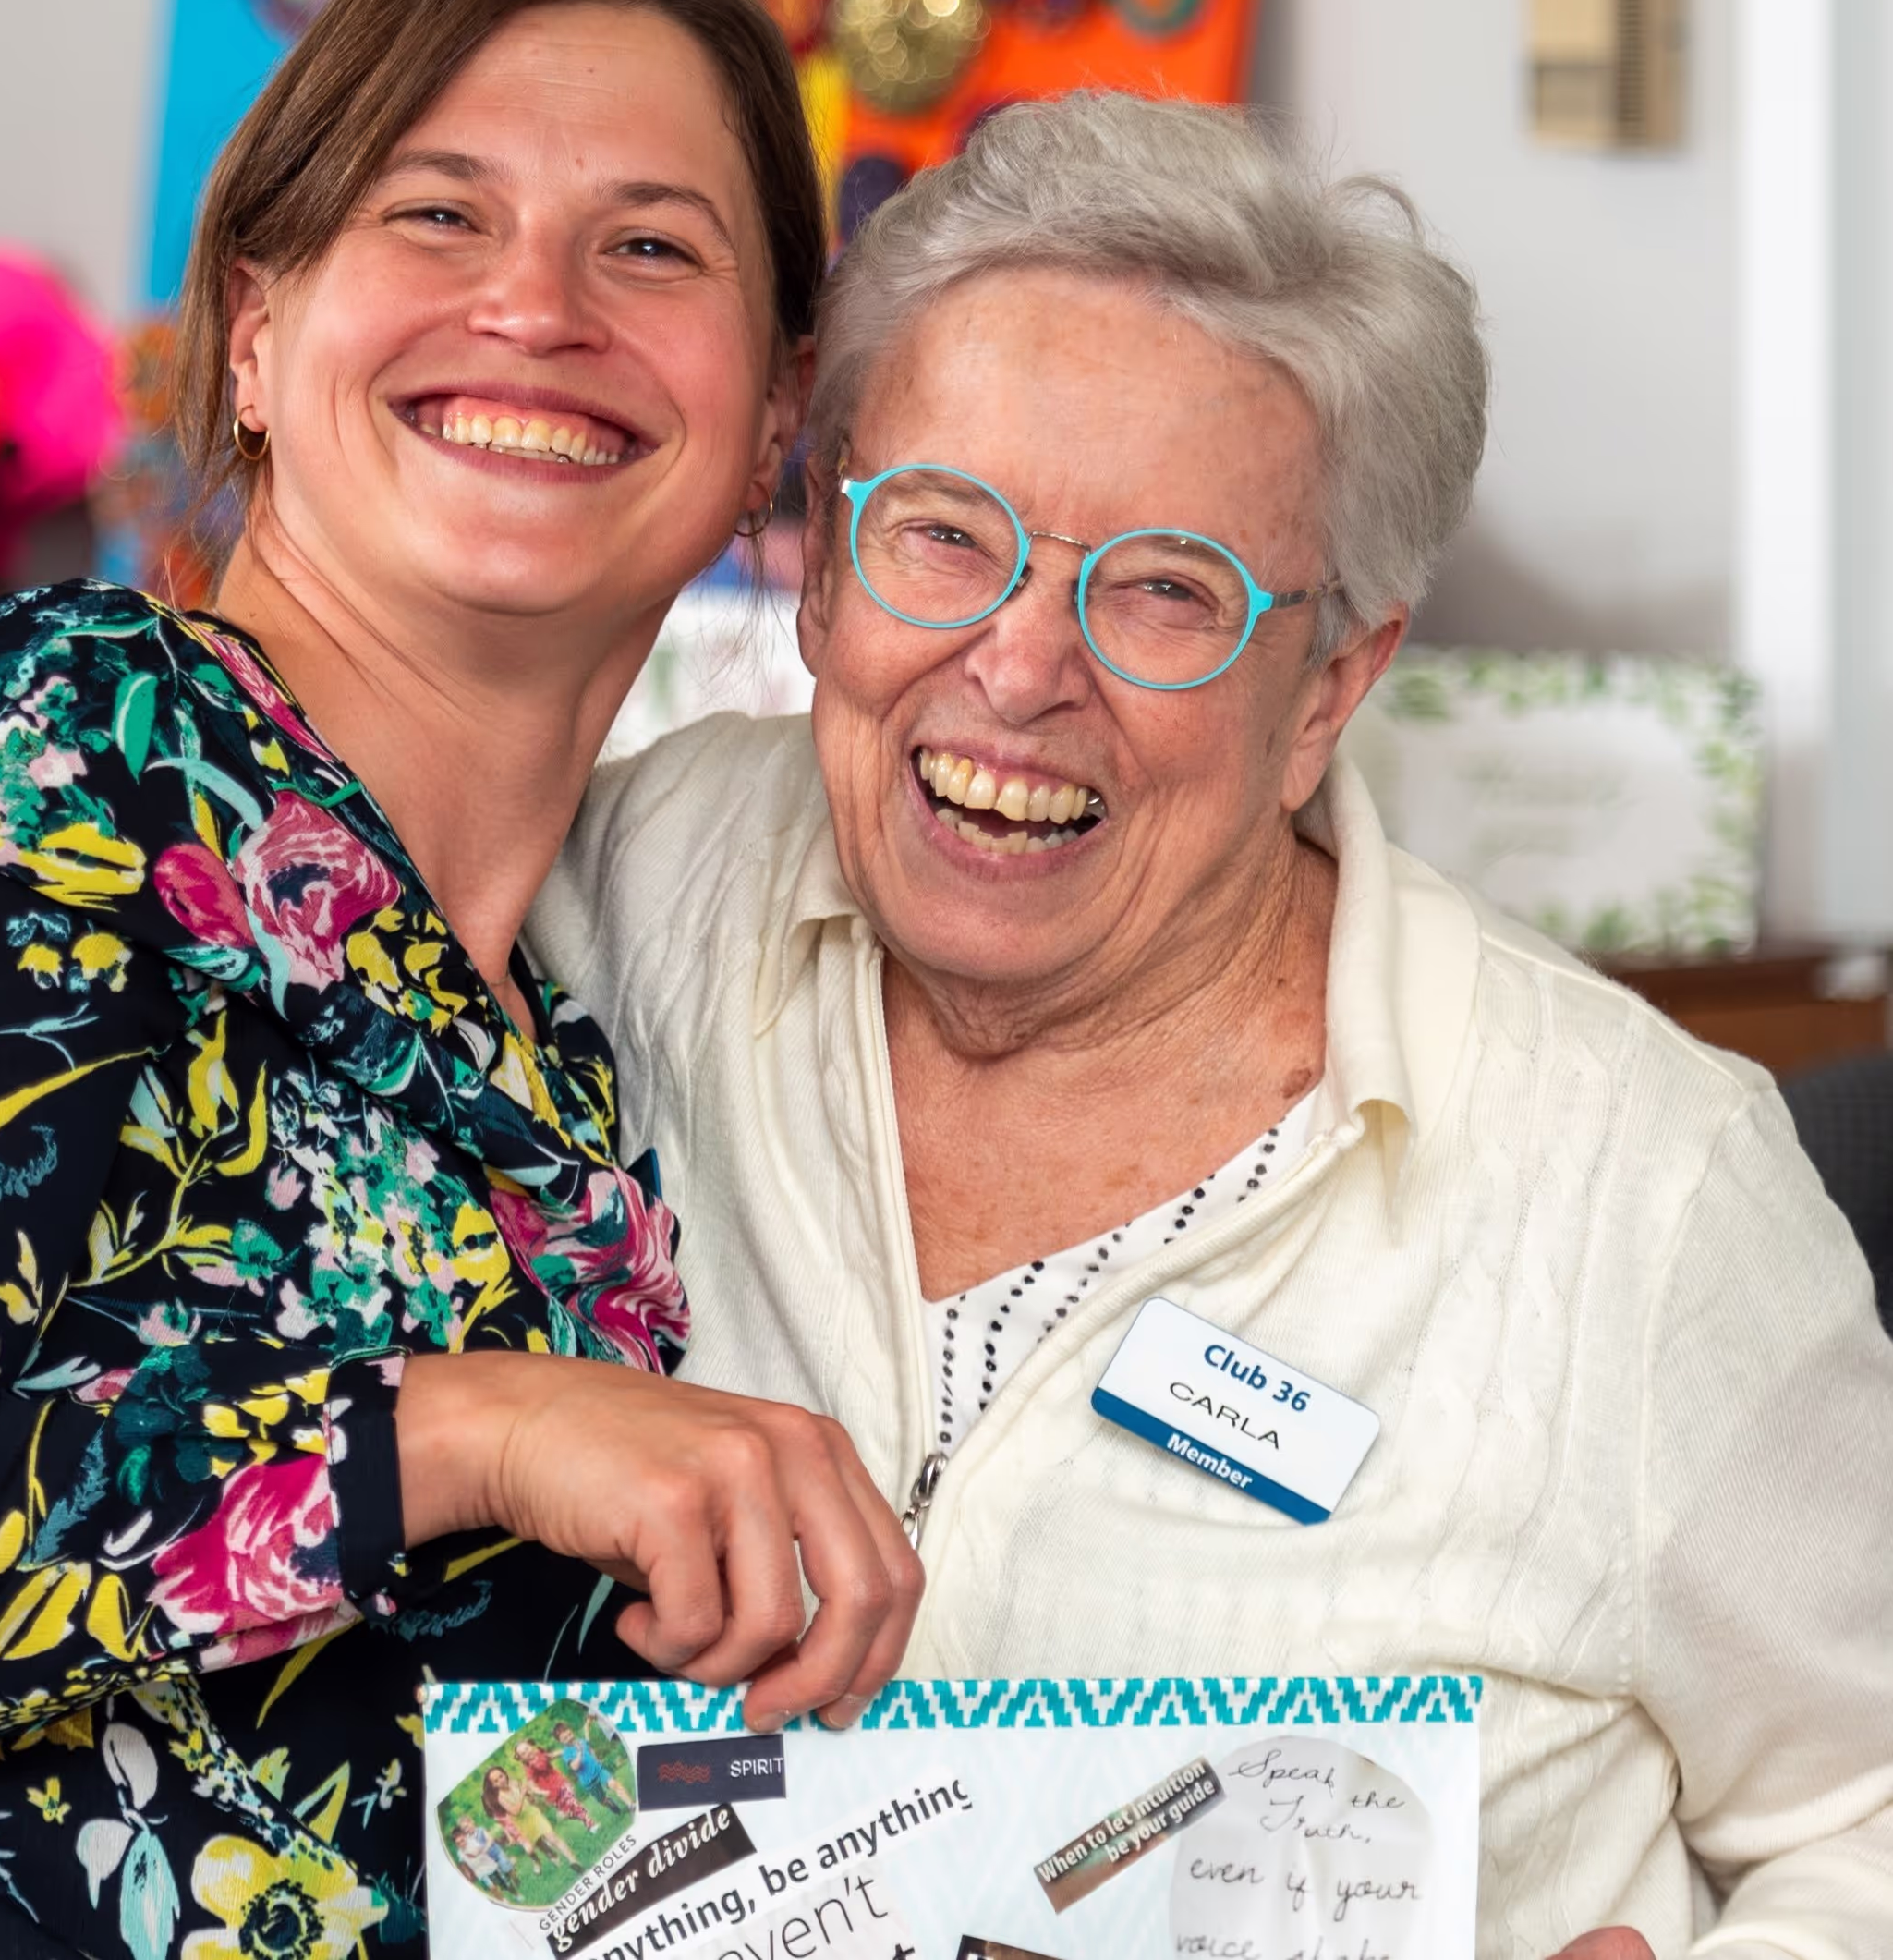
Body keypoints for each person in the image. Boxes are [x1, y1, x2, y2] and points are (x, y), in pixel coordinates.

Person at [529, 94, 1893, 1960]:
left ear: (1329, 685)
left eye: (1166, 590)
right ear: (826, 572)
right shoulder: (603, 906)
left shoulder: (1636, 1185)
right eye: (945, 535)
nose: (1020, 667)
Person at [0, 0, 918, 1958]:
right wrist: (479, 1422)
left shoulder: (572, 1060)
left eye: (651, 247)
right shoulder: (55, 744)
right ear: (252, 325)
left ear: (776, 410)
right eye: (437, 214)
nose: (538, 306)